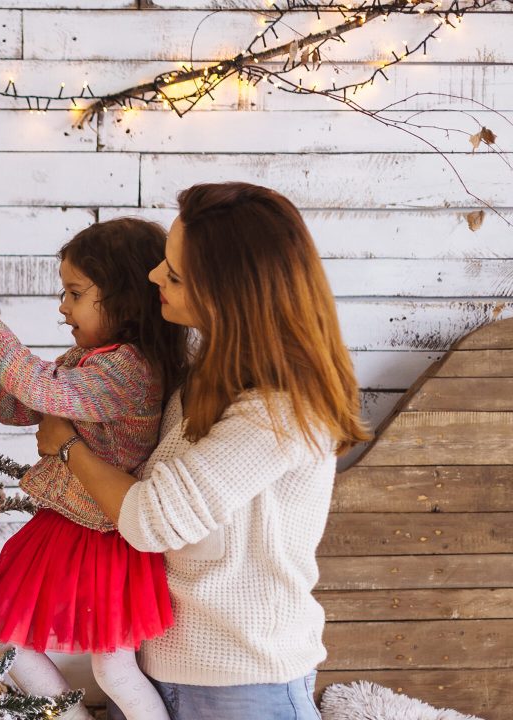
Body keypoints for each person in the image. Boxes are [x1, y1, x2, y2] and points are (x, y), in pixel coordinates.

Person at [35, 182, 371, 720]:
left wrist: (68, 445)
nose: (153, 279)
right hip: (153, 671)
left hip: (242, 686)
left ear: (226, 293)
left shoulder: (282, 407)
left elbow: (152, 518)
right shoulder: (197, 376)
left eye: (172, 274)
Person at [0, 218, 188, 720]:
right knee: (2, 634)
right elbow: (18, 407)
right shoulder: (91, 359)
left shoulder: (128, 368)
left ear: (122, 297)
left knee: (114, 671)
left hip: (103, 531)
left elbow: (41, 390)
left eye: (75, 293)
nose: (63, 306)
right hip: (68, 523)